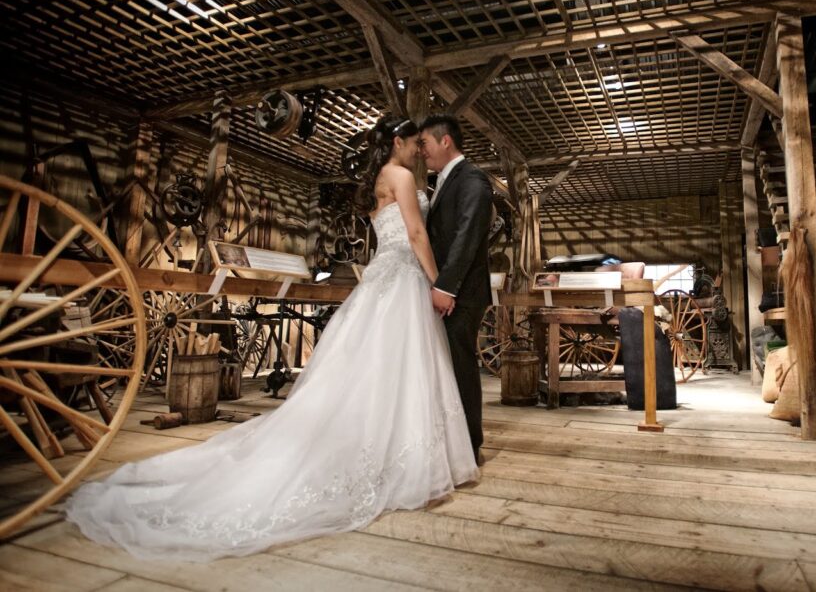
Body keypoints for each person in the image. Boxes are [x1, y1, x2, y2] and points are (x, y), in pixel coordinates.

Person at [63, 116, 479, 562]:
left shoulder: (381, 176)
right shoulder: (399, 175)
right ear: (398, 141)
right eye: (415, 143)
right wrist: (440, 284)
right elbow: (415, 234)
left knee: (379, 368)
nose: (419, 150)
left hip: (386, 277)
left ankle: (386, 448)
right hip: (403, 279)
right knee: (400, 366)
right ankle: (396, 458)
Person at [418, 114, 493, 465]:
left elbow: (468, 234)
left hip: (462, 293)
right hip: (449, 290)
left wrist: (447, 286)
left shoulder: (472, 178)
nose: (423, 152)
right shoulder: (446, 181)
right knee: (446, 365)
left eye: (426, 144)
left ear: (445, 141)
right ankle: (450, 443)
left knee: (461, 366)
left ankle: (470, 446)